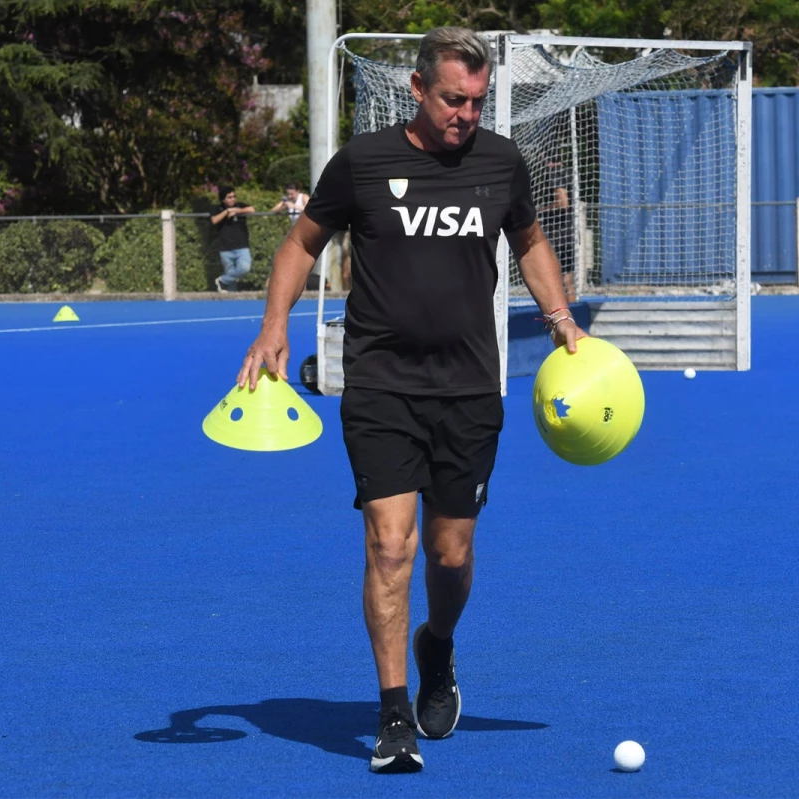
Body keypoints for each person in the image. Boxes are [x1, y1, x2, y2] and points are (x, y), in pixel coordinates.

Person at [236, 27, 587, 774]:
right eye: (454, 99)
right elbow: (301, 242)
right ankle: (393, 712)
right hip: (381, 385)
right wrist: (273, 326)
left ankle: (440, 645)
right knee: (389, 543)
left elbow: (527, 243)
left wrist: (560, 318)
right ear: (419, 89)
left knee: (449, 553)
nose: (467, 114)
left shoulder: (500, 162)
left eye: (478, 102)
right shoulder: (364, 163)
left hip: (468, 389)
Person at [535, 155, 576, 302]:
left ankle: (561, 314)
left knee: (557, 279)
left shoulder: (555, 174)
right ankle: (572, 312)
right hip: (567, 232)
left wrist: (540, 210)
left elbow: (563, 203)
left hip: (558, 235)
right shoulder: (569, 173)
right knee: (567, 278)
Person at [210, 186, 255, 292]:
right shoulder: (217, 208)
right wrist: (227, 212)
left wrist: (237, 211)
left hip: (242, 246)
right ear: (223, 199)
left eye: (234, 196)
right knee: (232, 280)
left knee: (244, 268)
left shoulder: (239, 205)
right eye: (229, 197)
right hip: (225, 248)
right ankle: (232, 299)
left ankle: (222, 280)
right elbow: (214, 220)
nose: (233, 199)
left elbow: (252, 210)